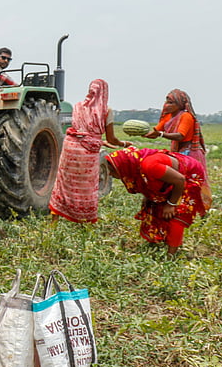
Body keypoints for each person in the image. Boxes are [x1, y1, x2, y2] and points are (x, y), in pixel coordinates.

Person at [104, 146, 210, 255]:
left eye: (112, 170)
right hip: (172, 178)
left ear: (124, 166)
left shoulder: (150, 166)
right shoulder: (138, 167)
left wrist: (171, 204)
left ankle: (171, 255)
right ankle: (159, 241)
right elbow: (147, 182)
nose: (110, 174)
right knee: (153, 207)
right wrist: (148, 196)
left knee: (176, 214)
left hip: (188, 174)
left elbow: (180, 180)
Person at [49, 79, 129, 223]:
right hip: (87, 153)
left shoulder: (78, 106)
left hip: (70, 148)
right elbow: (111, 139)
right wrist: (123, 143)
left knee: (64, 184)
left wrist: (98, 140)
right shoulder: (106, 111)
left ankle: (53, 222)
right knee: (86, 187)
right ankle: (84, 221)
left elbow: (82, 132)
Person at [144, 89, 207, 169]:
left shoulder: (186, 116)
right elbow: (154, 133)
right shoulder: (168, 117)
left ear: (179, 105)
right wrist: (141, 133)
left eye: (171, 103)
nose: (166, 105)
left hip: (189, 152)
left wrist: (161, 134)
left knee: (189, 178)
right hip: (178, 151)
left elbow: (180, 136)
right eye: (166, 102)